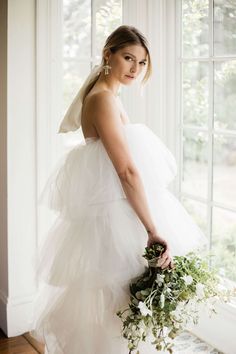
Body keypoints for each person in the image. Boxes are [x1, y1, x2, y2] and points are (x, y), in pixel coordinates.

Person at [29, 25, 207, 354]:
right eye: (128, 58)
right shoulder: (102, 100)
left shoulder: (106, 95)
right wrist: (152, 229)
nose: (135, 69)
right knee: (118, 306)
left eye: (141, 62)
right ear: (107, 54)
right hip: (113, 215)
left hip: (116, 209)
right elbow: (126, 170)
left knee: (123, 307)